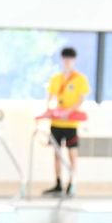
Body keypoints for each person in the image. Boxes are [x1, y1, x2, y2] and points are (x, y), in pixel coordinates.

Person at [44, 46, 90, 196]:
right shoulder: (56, 79)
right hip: (56, 123)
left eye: (70, 59)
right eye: (65, 58)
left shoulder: (80, 79)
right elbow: (50, 98)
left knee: (72, 154)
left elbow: (81, 98)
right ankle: (58, 183)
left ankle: (71, 183)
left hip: (71, 124)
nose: (67, 61)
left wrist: (68, 112)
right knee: (57, 154)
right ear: (62, 59)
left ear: (74, 60)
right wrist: (52, 110)